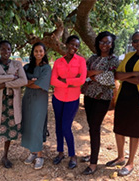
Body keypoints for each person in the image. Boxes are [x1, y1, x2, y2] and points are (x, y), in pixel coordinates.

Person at [106, 31, 139, 176]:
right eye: (135, 41)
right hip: (124, 97)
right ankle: (120, 157)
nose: (138, 42)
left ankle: (130, 162)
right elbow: (116, 74)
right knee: (119, 128)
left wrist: (127, 76)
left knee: (135, 131)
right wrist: (135, 74)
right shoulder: (128, 56)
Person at [0, 40, 27, 174]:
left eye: (8, 49)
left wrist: (4, 84)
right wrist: (11, 77)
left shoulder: (17, 64)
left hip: (11, 105)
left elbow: (23, 81)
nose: (6, 52)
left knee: (8, 132)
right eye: (3, 49)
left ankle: (5, 156)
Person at [80, 31, 119, 175]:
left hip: (103, 99)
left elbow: (109, 80)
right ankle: (93, 154)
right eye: (102, 42)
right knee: (91, 127)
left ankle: (93, 164)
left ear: (112, 44)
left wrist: (92, 74)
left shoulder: (114, 60)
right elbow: (84, 74)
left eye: (108, 42)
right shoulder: (92, 58)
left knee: (95, 127)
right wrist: (95, 74)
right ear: (98, 43)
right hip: (89, 96)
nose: (105, 45)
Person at [51, 35, 87, 169]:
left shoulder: (81, 61)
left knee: (66, 127)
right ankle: (60, 153)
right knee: (58, 127)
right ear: (66, 44)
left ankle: (73, 155)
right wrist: (72, 82)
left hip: (72, 99)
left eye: (77, 46)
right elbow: (53, 80)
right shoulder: (58, 62)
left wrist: (64, 81)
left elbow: (82, 79)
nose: (74, 47)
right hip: (58, 98)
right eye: (72, 44)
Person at [21, 42, 51, 170]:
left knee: (37, 125)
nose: (38, 53)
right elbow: (20, 81)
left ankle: (40, 155)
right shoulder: (27, 67)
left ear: (44, 53)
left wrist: (30, 82)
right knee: (28, 124)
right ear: (32, 53)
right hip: (27, 99)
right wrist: (29, 82)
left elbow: (40, 85)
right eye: (36, 51)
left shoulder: (46, 68)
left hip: (40, 100)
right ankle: (32, 152)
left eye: (41, 51)